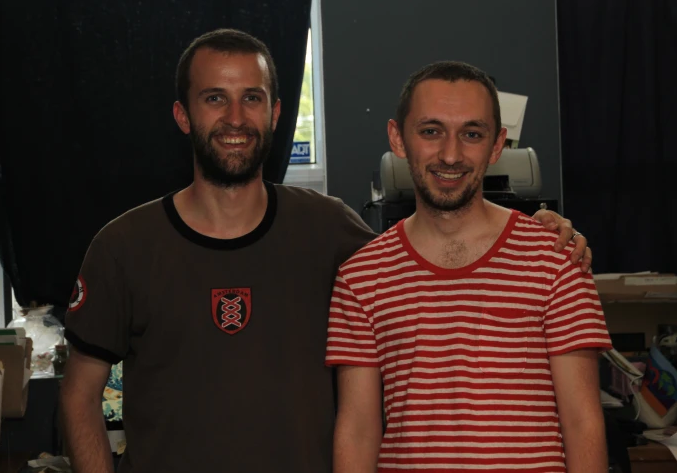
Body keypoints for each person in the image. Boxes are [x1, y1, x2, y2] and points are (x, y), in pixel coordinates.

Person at [59, 30, 593, 473]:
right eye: (214, 97)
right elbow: (81, 396)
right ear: (183, 115)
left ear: (276, 113)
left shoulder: (332, 231)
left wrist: (547, 231)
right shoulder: (123, 247)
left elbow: (431, 249)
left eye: (253, 97)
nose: (236, 118)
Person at [325, 61, 612, 473]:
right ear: (398, 138)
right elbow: (357, 429)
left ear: (497, 145)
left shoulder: (556, 258)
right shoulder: (361, 276)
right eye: (431, 131)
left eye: (472, 134)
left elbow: (583, 423)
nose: (451, 154)